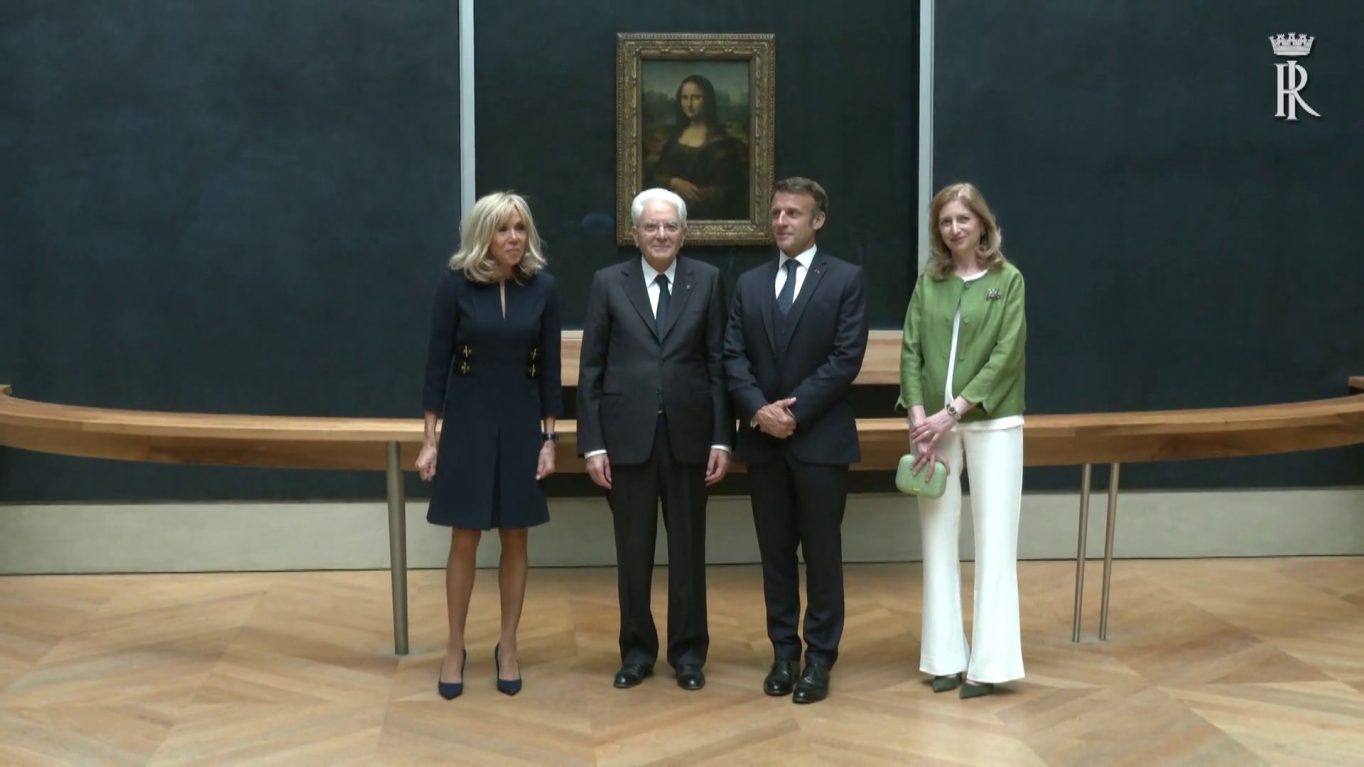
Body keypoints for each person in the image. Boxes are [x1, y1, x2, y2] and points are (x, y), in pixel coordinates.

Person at [577, 187, 732, 691]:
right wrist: (594, 444)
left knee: (688, 553)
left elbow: (718, 364)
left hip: (690, 439)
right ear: (635, 233)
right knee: (633, 552)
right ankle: (637, 652)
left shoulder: (707, 280)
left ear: (683, 234)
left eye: (670, 226)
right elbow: (592, 368)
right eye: (651, 226)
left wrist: (722, 439)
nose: (661, 234)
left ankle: (688, 655)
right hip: (626, 440)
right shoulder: (608, 283)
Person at [723, 177, 868, 704]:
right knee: (776, 555)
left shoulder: (845, 279)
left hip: (820, 443)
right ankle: (784, 654)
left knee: (823, 556)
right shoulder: (749, 283)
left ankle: (820, 658)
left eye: (793, 213)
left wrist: (794, 412)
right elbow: (732, 356)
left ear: (817, 220)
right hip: (764, 443)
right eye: (776, 212)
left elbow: (845, 359)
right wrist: (759, 411)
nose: (781, 221)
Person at [416, 191, 562, 700]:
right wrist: (430, 439)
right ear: (484, 235)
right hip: (469, 421)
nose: (514, 238)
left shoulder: (542, 287)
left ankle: (508, 645)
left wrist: (549, 439)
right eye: (503, 229)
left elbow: (549, 371)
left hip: (521, 421)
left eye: (520, 228)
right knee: (465, 536)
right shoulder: (455, 285)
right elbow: (436, 365)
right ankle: (455, 647)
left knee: (516, 535)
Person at [898, 182, 1026, 699]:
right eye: (946, 221)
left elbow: (1006, 355)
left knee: (995, 542)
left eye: (963, 219)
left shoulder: (1008, 280)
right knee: (937, 541)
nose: (954, 229)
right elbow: (910, 351)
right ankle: (945, 658)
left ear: (982, 224)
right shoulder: (928, 283)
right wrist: (919, 419)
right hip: (931, 428)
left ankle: (990, 665)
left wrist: (952, 413)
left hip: (992, 422)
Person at [649, 74, 747, 220]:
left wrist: (694, 194)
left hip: (705, 216)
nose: (689, 104)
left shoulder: (721, 143)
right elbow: (657, 174)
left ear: (707, 100)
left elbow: (731, 189)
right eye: (684, 98)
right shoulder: (675, 138)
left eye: (696, 97)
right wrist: (674, 182)